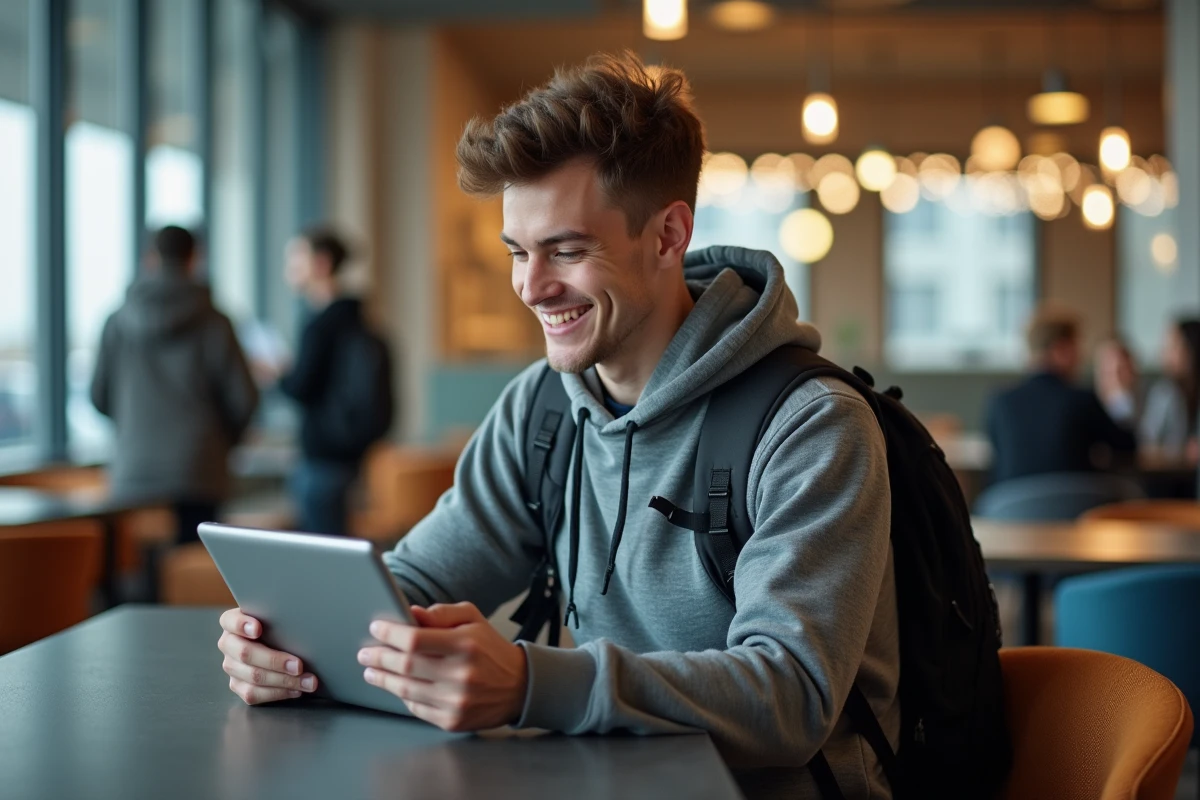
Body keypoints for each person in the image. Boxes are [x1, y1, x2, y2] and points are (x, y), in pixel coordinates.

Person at [217, 54, 899, 798]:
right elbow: (412, 582)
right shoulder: (541, 406)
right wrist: (297, 646)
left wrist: (531, 683)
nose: (532, 287)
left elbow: (791, 696)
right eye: (518, 252)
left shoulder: (811, 425)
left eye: (567, 251)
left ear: (669, 234)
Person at [91, 225, 259, 545]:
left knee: (136, 567)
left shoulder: (117, 322)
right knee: (195, 565)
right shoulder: (215, 322)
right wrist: (221, 444)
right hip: (199, 468)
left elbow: (98, 396)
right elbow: (244, 400)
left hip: (133, 469)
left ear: (149, 258)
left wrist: (135, 428)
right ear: (195, 258)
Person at [273, 228, 394, 535]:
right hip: (353, 455)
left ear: (322, 263)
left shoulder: (321, 324)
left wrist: (277, 374)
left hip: (322, 455)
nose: (289, 269)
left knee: (321, 545)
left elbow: (301, 387)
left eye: (296, 260)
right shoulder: (360, 317)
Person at [986, 308, 1137, 484]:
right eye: (1076, 347)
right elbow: (1127, 445)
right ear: (1060, 349)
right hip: (1075, 500)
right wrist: (1119, 397)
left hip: (1009, 500)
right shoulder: (1081, 400)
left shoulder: (1000, 402)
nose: (1081, 357)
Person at [1140, 319, 1200, 460]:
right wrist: (1181, 451)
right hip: (1169, 470)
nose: (1164, 353)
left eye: (1173, 346)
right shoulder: (1163, 392)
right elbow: (1146, 443)